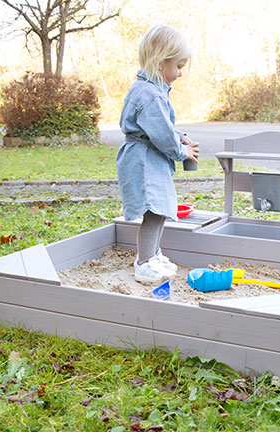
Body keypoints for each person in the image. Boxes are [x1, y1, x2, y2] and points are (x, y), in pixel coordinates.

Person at [117, 23, 200, 284]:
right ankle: (144, 262)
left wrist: (179, 135)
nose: (180, 73)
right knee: (153, 210)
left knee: (161, 208)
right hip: (144, 160)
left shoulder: (151, 90)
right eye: (178, 67)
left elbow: (161, 128)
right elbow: (161, 135)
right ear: (160, 62)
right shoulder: (150, 95)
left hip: (149, 156)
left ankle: (153, 254)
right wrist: (181, 150)